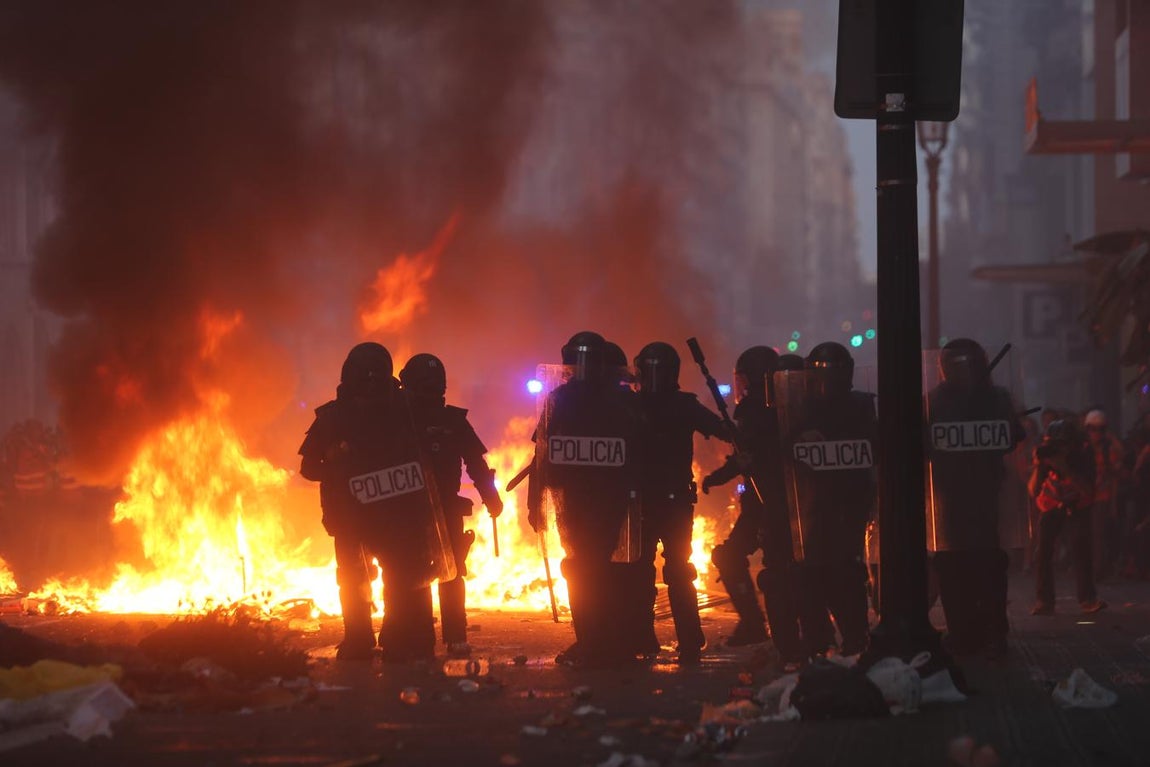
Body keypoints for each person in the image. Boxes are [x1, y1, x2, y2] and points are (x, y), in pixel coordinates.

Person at [300, 342, 443, 662]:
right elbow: (309, 468)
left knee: (399, 577)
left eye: (374, 378)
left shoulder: (408, 411)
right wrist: (336, 462)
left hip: (394, 516)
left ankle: (392, 636)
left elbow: (434, 454)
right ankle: (362, 638)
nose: (370, 386)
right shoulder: (334, 419)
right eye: (364, 379)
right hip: (356, 518)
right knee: (356, 578)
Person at [527, 331, 643, 667]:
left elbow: (542, 453)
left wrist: (536, 502)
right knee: (599, 569)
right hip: (599, 498)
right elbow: (546, 453)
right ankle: (606, 642)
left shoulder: (561, 398)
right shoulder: (619, 401)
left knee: (582, 569)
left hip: (580, 498)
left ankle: (594, 642)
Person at [702, 346, 805, 668]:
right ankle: (803, 629)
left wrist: (717, 477)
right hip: (785, 499)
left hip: (765, 502)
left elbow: (748, 456)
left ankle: (760, 626)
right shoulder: (794, 407)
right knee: (789, 564)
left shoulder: (753, 411)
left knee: (752, 561)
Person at [629, 341, 729, 664]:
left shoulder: (631, 404)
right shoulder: (683, 405)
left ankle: (645, 639)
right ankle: (687, 640)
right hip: (670, 502)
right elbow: (722, 430)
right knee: (675, 572)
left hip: (646, 501)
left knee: (643, 572)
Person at [924, 338, 1024, 658]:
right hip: (958, 497)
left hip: (971, 495)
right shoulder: (985, 399)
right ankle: (979, 632)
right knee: (967, 565)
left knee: (974, 565)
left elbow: (1011, 437)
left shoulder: (943, 401)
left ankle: (978, 632)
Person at [399, 353, 503, 658]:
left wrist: (491, 497)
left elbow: (475, 463)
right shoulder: (444, 420)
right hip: (421, 512)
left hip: (419, 512)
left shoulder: (407, 420)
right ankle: (451, 637)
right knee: (448, 575)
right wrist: (491, 499)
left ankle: (424, 638)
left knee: (422, 575)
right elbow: (477, 465)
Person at [779, 341, 876, 658]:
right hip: (812, 502)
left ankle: (849, 637)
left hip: (847, 501)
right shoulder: (800, 409)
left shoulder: (861, 407)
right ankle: (826, 639)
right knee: (816, 573)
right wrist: (799, 440)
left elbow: (875, 447)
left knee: (842, 573)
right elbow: (783, 448)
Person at [1029, 419, 1106, 615]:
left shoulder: (1083, 454)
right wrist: (1039, 467)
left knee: (1080, 546)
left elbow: (1088, 489)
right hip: (1051, 504)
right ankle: (1044, 601)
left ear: (1071, 444)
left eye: (1060, 445)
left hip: (1078, 503)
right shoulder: (1045, 454)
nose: (1056, 449)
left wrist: (1065, 469)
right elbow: (1033, 490)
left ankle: (1088, 598)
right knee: (1042, 550)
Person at [1083, 408, 1126, 580]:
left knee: (1099, 534)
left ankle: (1098, 570)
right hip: (1084, 496)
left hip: (1102, 497)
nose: (1097, 433)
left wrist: (1113, 504)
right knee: (1087, 535)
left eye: (1101, 429)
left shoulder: (1110, 450)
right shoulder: (1083, 449)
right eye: (1093, 429)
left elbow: (1117, 472)